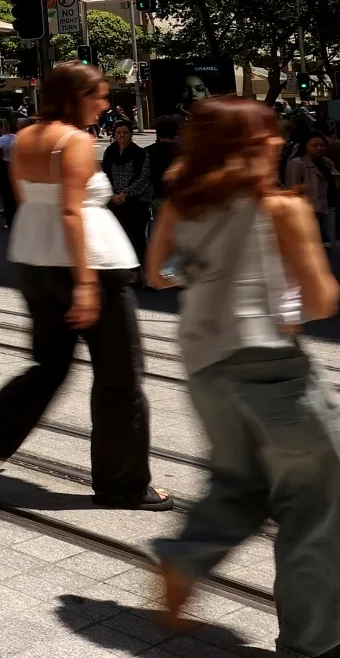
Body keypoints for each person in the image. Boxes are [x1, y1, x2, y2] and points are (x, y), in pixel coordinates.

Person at [144, 97, 340, 654]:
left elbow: (156, 273)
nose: (280, 141)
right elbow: (322, 300)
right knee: (316, 503)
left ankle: (185, 559)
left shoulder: (183, 199)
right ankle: (314, 643)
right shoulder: (281, 207)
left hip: (207, 366)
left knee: (240, 484)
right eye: (272, 134)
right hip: (274, 369)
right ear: (256, 143)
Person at [0, 63, 171, 510]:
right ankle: (123, 483)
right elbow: (72, 212)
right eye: (98, 96)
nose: (105, 105)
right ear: (75, 97)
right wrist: (87, 285)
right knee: (119, 377)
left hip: (34, 260)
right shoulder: (73, 141)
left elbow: (25, 199)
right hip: (90, 264)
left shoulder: (26, 138)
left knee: (48, 366)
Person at [102, 122, 154, 270]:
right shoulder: (109, 152)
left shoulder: (141, 153)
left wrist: (125, 193)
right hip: (114, 200)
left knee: (136, 237)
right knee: (117, 237)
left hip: (136, 201)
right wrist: (113, 194)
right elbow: (104, 174)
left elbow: (143, 177)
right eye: (118, 133)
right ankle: (123, 272)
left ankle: (141, 273)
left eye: (125, 132)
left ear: (131, 134)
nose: (122, 135)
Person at [283, 132, 336, 247]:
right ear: (306, 146)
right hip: (310, 209)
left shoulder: (327, 162)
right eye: (314, 145)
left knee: (330, 243)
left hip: (328, 206)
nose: (318, 148)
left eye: (322, 145)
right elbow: (292, 188)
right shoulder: (296, 164)